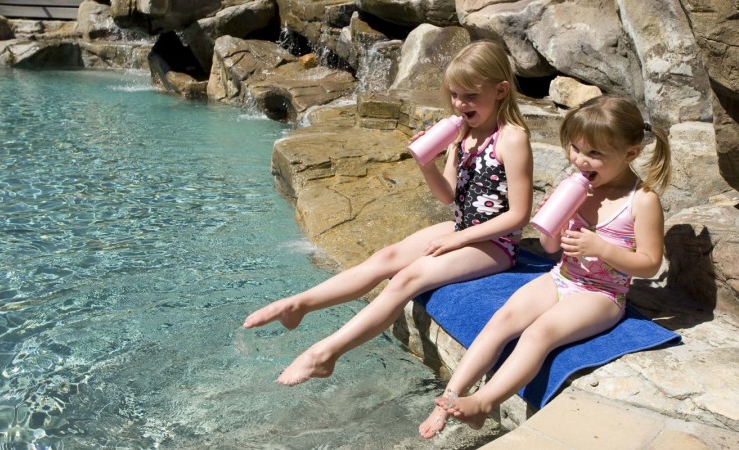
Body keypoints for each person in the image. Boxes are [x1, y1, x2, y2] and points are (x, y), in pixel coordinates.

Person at [243, 40, 534, 386]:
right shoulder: (463, 134)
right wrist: (426, 163)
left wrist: (460, 240)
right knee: (386, 257)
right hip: (461, 226)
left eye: (470, 96)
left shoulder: (512, 139)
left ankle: (325, 354)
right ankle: (300, 304)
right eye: (455, 95)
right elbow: (448, 196)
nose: (459, 104)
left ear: (501, 90)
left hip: (495, 244)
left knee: (407, 279)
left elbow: (519, 215)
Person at [420, 94, 671, 438]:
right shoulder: (577, 187)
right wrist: (554, 224)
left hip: (602, 294)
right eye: (576, 149)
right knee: (503, 319)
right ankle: (449, 395)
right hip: (562, 277)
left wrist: (600, 246)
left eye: (595, 154)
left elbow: (649, 264)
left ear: (631, 153)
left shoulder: (641, 201)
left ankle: (484, 402)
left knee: (539, 333)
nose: (581, 160)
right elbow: (553, 249)